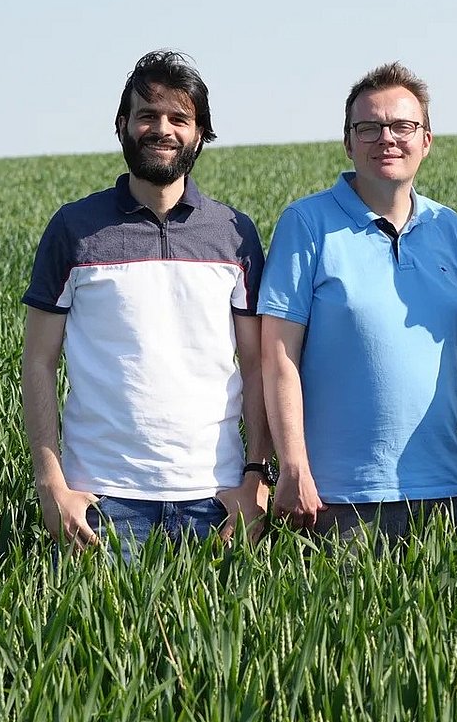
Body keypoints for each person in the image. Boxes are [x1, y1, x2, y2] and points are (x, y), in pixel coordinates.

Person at [20, 51, 272, 561]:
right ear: (122, 125)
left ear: (200, 133)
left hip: (216, 499)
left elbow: (259, 362)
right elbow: (38, 361)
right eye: (147, 115)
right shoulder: (73, 229)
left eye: (179, 118)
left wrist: (257, 481)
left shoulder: (235, 234)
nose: (163, 129)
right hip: (100, 504)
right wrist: (52, 485)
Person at [258, 62, 457, 541]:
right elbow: (277, 357)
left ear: (426, 140)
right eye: (368, 128)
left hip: (446, 495)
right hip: (338, 501)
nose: (386, 138)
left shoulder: (447, 227)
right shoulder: (307, 225)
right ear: (348, 142)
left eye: (402, 126)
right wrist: (293, 468)